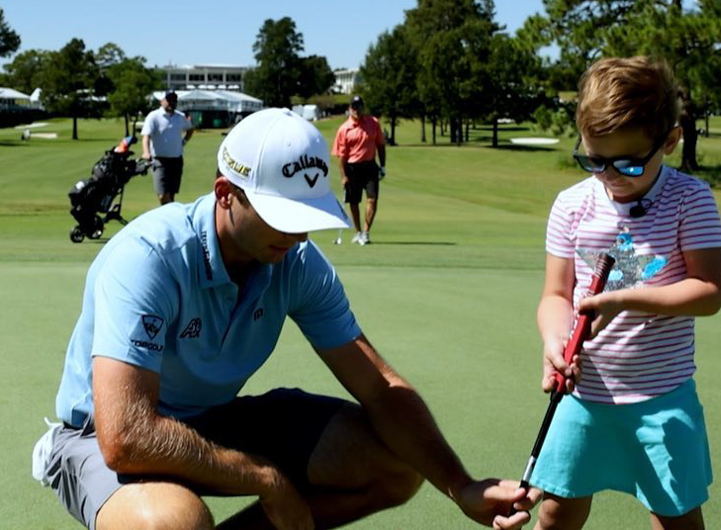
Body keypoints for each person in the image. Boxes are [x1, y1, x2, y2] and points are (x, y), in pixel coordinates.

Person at [33, 108, 538, 530]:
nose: (298, 236)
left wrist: (461, 484)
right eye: (283, 216)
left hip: (211, 422)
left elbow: (380, 387)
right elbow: (126, 436)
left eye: (308, 217)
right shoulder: (149, 256)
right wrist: (264, 479)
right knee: (173, 523)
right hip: (96, 438)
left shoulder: (295, 261)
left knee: (394, 468)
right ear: (227, 193)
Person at [531, 57, 721, 530]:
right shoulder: (572, 205)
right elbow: (555, 295)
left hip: (661, 396)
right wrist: (555, 343)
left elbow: (709, 291)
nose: (612, 176)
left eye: (629, 162)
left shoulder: (690, 199)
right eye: (595, 161)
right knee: (556, 512)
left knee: (677, 517)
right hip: (584, 395)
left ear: (671, 141)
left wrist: (624, 299)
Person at [331, 95, 386, 245]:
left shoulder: (373, 123)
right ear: (349, 109)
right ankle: (357, 232)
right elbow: (341, 157)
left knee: (372, 200)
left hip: (370, 166)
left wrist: (383, 166)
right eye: (354, 107)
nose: (357, 109)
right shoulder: (344, 129)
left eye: (359, 106)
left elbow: (380, 145)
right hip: (352, 168)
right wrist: (343, 176)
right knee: (354, 202)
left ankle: (366, 232)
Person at [140, 90, 194, 205]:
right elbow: (146, 137)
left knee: (171, 194)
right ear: (162, 101)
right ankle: (174, 213)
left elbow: (190, 129)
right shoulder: (154, 116)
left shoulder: (180, 117)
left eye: (174, 101)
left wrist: (183, 142)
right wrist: (146, 152)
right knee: (162, 195)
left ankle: (169, 217)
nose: (172, 103)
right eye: (169, 100)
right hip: (159, 161)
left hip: (176, 160)